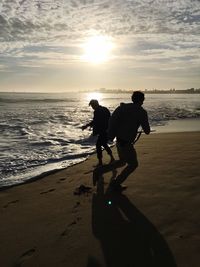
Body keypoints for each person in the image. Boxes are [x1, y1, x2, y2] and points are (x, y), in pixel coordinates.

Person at [108, 91, 150, 191]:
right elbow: (147, 131)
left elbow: (112, 121)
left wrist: (111, 135)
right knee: (133, 164)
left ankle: (101, 170)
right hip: (126, 143)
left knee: (122, 161)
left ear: (132, 99)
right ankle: (115, 184)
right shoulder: (141, 112)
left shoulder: (122, 107)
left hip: (118, 140)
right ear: (142, 100)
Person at [82, 99, 115, 166]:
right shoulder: (104, 109)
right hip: (107, 129)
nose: (92, 107)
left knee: (98, 145)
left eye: (92, 105)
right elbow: (110, 118)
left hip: (103, 130)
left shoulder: (97, 111)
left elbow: (95, 121)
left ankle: (100, 162)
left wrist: (87, 125)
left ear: (95, 104)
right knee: (104, 144)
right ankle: (112, 158)